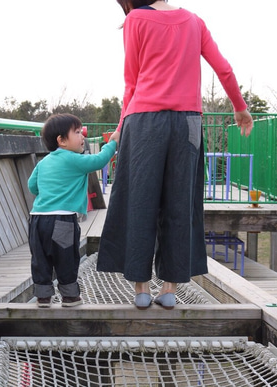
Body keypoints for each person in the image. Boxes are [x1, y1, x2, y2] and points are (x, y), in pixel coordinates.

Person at [97, 0, 254, 310]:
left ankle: (141, 289)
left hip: (144, 121)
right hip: (188, 123)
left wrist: (120, 127)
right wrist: (240, 107)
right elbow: (223, 67)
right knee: (180, 204)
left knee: (139, 201)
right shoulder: (195, 21)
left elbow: (132, 81)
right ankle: (169, 289)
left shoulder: (136, 20)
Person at [28, 113, 120, 308]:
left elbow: (32, 187)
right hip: (62, 220)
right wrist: (112, 144)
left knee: (40, 258)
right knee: (65, 257)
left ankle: (43, 297)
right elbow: (98, 161)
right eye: (77, 132)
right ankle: (69, 297)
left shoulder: (43, 162)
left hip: (37, 220)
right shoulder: (73, 159)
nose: (83, 136)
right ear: (61, 140)